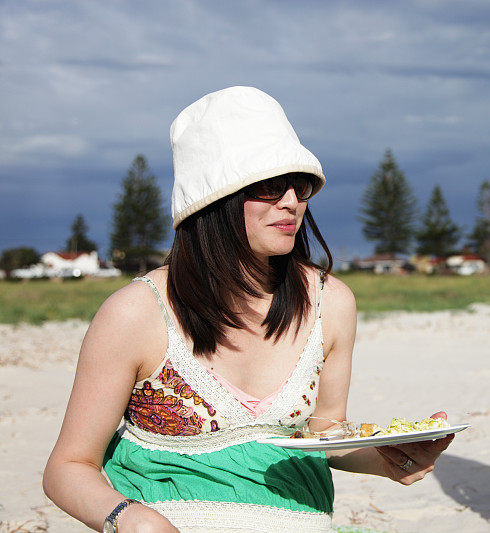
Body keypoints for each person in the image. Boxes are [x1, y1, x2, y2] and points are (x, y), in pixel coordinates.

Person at [43, 86, 453, 532]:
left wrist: (391, 459)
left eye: (302, 186)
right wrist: (128, 518)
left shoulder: (330, 302)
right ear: (213, 199)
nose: (292, 202)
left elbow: (326, 437)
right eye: (271, 186)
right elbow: (68, 466)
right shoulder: (137, 313)